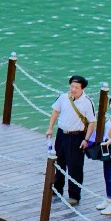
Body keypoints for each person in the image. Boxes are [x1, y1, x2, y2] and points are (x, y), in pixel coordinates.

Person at [45, 76, 97, 206]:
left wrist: (86, 139)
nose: (73, 89)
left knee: (75, 166)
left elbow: (92, 122)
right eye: (72, 86)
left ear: (82, 89)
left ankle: (74, 195)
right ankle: (57, 188)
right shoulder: (63, 97)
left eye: (76, 88)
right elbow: (55, 111)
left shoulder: (87, 102)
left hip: (76, 136)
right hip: (62, 133)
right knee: (59, 161)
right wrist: (50, 128)